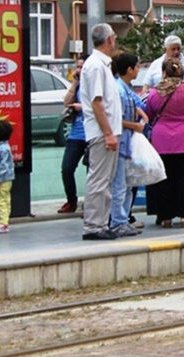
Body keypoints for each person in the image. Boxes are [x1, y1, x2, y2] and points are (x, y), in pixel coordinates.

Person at [145, 57, 184, 228]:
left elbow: (149, 115)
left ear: (164, 73)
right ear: (182, 72)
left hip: (162, 140)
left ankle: (165, 216)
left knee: (164, 179)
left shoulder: (155, 92)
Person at [79, 23, 123, 240]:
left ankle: (101, 222)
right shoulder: (96, 66)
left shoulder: (101, 64)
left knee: (105, 179)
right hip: (102, 132)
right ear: (109, 40)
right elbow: (97, 102)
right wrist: (108, 132)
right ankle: (94, 225)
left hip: (106, 131)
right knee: (99, 178)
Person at [109, 53, 148, 237]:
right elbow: (116, 119)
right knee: (119, 185)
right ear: (129, 69)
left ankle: (122, 220)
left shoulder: (126, 89)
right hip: (121, 141)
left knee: (125, 184)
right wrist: (135, 125)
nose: (138, 70)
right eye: (137, 67)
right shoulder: (118, 90)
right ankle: (117, 221)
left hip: (126, 142)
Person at [58, 54, 88, 214]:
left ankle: (90, 202)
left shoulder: (93, 84)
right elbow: (66, 101)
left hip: (91, 133)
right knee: (67, 168)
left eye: (82, 67)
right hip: (76, 133)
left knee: (92, 171)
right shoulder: (77, 85)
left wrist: (81, 107)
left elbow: (100, 106)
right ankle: (71, 201)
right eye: (78, 66)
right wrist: (75, 82)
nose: (79, 70)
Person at [0, 120, 15, 233]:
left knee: (0, 201)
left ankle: (4, 224)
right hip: (8, 179)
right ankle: (4, 221)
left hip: (2, 180)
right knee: (6, 200)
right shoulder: (5, 146)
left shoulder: (1, 149)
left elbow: (2, 166)